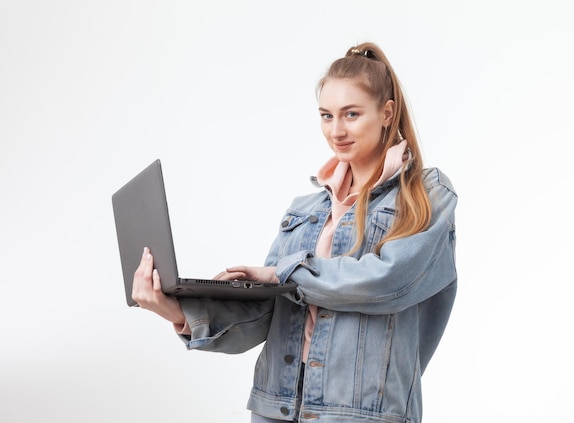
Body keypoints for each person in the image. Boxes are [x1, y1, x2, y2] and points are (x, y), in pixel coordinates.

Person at [132, 42, 458, 423]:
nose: (336, 130)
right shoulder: (305, 210)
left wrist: (283, 274)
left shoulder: (426, 196)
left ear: (387, 113)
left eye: (351, 114)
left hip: (360, 414)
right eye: (326, 115)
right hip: (278, 408)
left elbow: (387, 281)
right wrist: (178, 310)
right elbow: (269, 314)